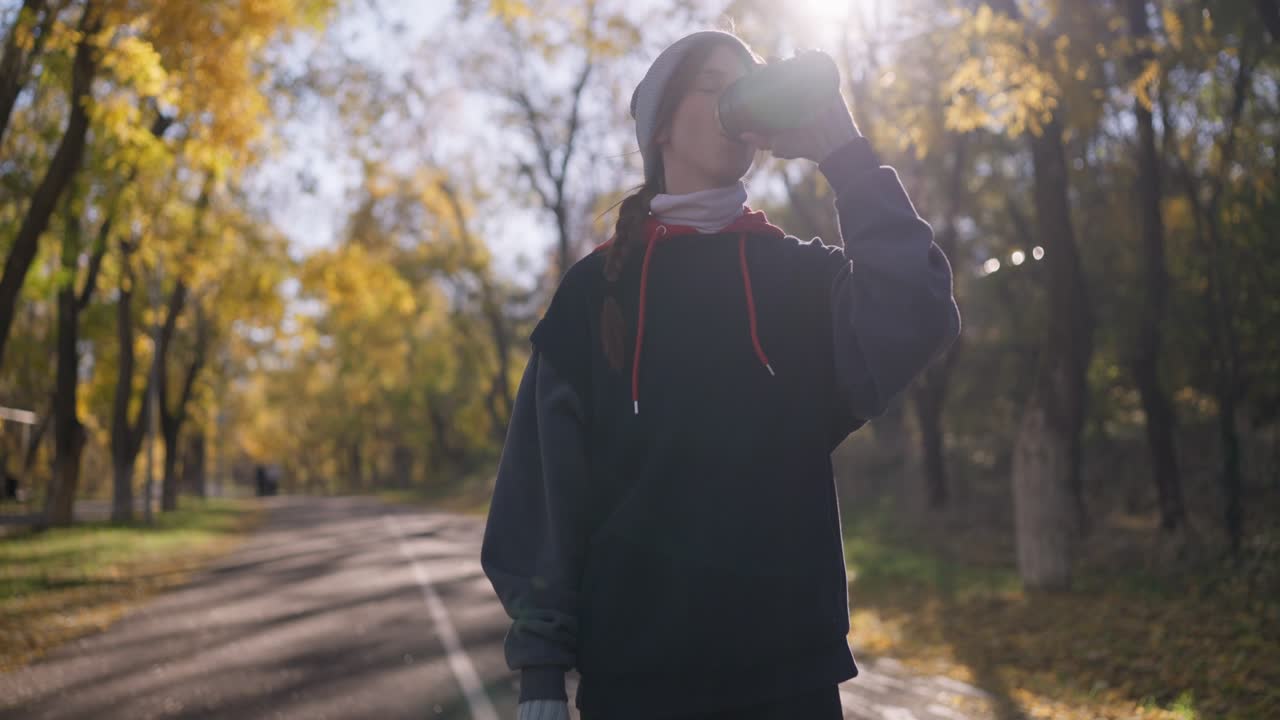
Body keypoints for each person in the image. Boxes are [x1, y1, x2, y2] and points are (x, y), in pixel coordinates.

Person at [481, 29, 961, 720]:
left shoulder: (801, 279)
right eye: (714, 84)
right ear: (662, 129)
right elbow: (545, 493)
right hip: (638, 685)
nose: (736, 98)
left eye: (748, 81)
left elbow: (919, 313)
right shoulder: (595, 295)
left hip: (789, 681)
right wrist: (540, 673)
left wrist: (845, 156)